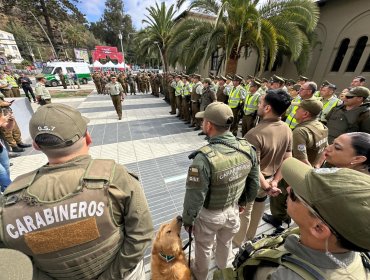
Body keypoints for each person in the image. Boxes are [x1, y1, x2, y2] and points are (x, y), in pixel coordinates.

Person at [0, 103, 154, 279]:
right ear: (87, 137)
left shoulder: (10, 199)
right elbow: (141, 234)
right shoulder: (115, 177)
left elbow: (10, 261)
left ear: (35, 145)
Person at [231, 157, 370, 279]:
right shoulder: (354, 253)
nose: (289, 189)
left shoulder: (282, 276)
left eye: (295, 195)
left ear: (318, 228)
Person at [182, 102, 260, 280]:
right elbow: (254, 183)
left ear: (208, 125)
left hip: (209, 215)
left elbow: (195, 195)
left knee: (203, 247)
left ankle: (200, 274)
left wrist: (188, 219)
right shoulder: (248, 149)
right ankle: (224, 270)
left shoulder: (203, 158)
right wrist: (242, 203)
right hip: (233, 210)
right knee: (225, 242)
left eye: (204, 121)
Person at [233, 89, 292, 245]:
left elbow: (254, 166)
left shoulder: (254, 134)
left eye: (260, 103)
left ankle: (237, 242)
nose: (257, 105)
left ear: (267, 108)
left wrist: (266, 186)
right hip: (270, 179)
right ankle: (251, 237)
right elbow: (287, 158)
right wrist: (275, 182)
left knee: (244, 211)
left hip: (254, 182)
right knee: (259, 208)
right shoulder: (286, 128)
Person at [263, 99, 328, 232]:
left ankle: (278, 219)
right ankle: (285, 217)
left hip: (295, 172)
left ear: (305, 114)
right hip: (311, 170)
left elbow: (301, 159)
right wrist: (316, 167)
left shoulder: (301, 131)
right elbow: (325, 150)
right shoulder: (321, 126)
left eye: (298, 109)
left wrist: (308, 175)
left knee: (280, 195)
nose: (295, 111)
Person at [0, 107, 15, 191]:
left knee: (6, 169)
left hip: (1, 149)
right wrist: (1, 120)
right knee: (2, 173)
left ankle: (4, 191)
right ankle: (9, 191)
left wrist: (11, 121)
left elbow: (8, 127)